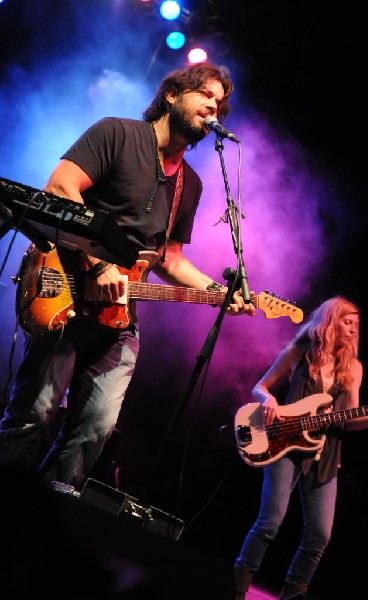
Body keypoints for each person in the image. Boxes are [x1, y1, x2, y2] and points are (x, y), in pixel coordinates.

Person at [0, 61, 255, 491]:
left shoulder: (189, 185)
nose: (213, 108)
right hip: (65, 289)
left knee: (96, 429)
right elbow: (61, 188)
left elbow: (169, 260)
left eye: (219, 104)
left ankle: (52, 516)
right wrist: (98, 264)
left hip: (119, 318)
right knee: (34, 413)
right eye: (205, 96)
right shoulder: (117, 133)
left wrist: (220, 291)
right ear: (172, 95)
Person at [234, 296, 368, 600]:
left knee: (319, 536)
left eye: (356, 325)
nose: (352, 329)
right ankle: (237, 586)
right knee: (269, 522)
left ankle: (292, 595)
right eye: (347, 322)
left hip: (325, 454)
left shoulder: (354, 368)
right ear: (330, 320)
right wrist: (268, 399)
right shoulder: (299, 352)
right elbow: (261, 386)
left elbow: (349, 419)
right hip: (283, 445)